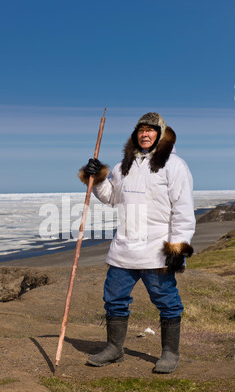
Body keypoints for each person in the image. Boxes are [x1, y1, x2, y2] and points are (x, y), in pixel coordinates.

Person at [78, 112, 196, 374]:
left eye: (150, 130)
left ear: (161, 135)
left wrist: (178, 246)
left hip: (156, 248)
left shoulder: (175, 166)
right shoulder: (124, 167)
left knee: (166, 300)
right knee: (114, 299)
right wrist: (96, 178)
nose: (145, 134)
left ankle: (169, 353)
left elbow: (183, 210)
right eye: (141, 130)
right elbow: (110, 197)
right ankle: (114, 348)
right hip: (124, 247)